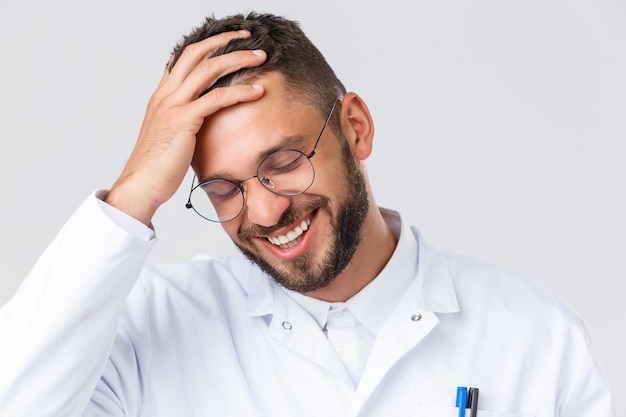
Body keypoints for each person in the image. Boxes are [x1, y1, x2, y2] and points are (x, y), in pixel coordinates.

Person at [0, 11, 615, 417]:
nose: (264, 210)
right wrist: (135, 191)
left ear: (356, 127)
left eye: (286, 161)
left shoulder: (536, 337)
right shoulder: (146, 329)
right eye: (223, 188)